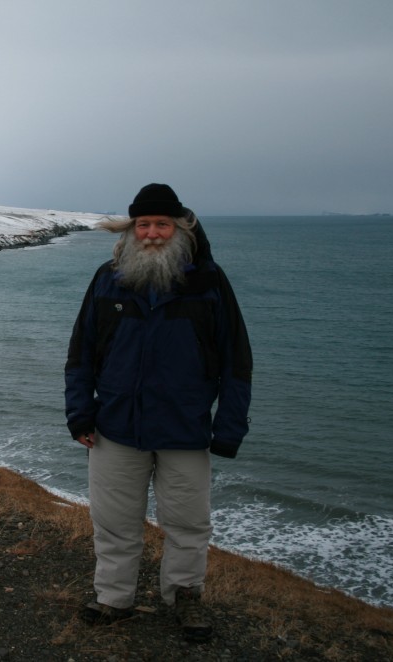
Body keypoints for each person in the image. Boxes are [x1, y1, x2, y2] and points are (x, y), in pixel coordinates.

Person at [64, 183, 252, 641]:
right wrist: (80, 414)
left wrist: (228, 429)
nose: (152, 234)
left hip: (185, 430)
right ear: (131, 230)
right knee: (113, 522)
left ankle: (184, 599)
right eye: (143, 225)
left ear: (180, 228)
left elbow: (236, 360)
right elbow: (81, 353)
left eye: (161, 224)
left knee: (188, 524)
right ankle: (113, 598)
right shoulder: (107, 279)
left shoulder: (209, 282)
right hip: (114, 428)